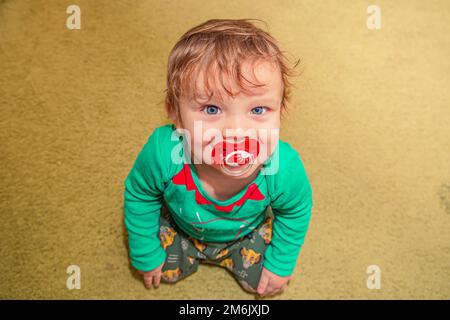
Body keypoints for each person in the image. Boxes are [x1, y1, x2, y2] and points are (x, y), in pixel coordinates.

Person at [124, 19, 313, 297]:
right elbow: (140, 195)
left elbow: (295, 212)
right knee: (163, 269)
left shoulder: (283, 167)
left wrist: (281, 263)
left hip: (245, 235)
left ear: (280, 111)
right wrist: (144, 250)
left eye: (258, 110)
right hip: (180, 227)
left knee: (264, 282)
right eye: (211, 109)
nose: (236, 132)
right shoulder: (164, 151)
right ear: (174, 113)